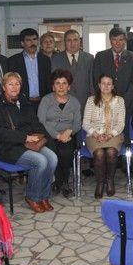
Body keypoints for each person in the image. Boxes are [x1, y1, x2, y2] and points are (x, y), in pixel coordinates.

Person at [0, 72, 57, 213]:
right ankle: (32, 196)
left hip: (29, 143)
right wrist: (24, 137)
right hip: (8, 147)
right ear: (3, 87)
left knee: (52, 158)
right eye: (10, 84)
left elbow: (36, 123)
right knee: (40, 161)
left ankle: (43, 196)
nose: (14, 87)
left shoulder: (24, 101)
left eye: (17, 84)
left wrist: (46, 139)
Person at [37, 69, 82, 198]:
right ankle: (60, 182)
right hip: (49, 136)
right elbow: (41, 122)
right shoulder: (46, 100)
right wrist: (57, 135)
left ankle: (62, 181)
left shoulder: (75, 102)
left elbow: (78, 123)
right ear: (53, 86)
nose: (61, 86)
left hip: (68, 136)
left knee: (66, 152)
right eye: (57, 83)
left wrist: (69, 131)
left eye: (64, 83)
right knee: (53, 152)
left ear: (69, 86)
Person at [92, 27, 133, 142]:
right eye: (114, 39)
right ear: (110, 40)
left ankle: (126, 152)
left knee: (125, 132)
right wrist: (106, 100)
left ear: (125, 41)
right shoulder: (100, 56)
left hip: (126, 102)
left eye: (121, 39)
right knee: (106, 132)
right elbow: (96, 79)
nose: (118, 43)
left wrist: (123, 102)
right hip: (105, 102)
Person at [83, 74, 125, 199]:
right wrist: (96, 134)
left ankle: (110, 180)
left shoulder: (120, 100)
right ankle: (100, 183)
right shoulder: (91, 100)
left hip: (114, 134)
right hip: (94, 135)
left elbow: (121, 123)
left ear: (113, 86)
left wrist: (110, 134)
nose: (106, 86)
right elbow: (85, 123)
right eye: (103, 83)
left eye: (109, 83)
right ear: (99, 85)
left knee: (111, 152)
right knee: (99, 153)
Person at [8, 28, 52, 113]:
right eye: (28, 40)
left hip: (43, 103)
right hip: (22, 103)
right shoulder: (13, 61)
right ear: (22, 43)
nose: (32, 43)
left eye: (34, 39)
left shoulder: (45, 60)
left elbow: (48, 83)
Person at [50, 29, 94, 113]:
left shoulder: (89, 58)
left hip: (85, 102)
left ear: (80, 41)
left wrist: (93, 101)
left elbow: (92, 82)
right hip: (63, 103)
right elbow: (54, 82)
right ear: (65, 42)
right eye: (69, 40)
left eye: (75, 40)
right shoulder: (56, 58)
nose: (72, 43)